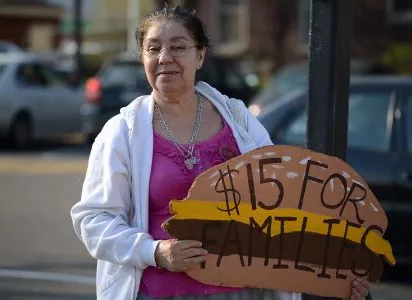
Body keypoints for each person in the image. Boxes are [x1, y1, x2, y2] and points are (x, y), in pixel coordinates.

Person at [70, 6, 371, 300]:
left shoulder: (238, 120)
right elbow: (94, 219)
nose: (165, 58)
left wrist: (339, 270)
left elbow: (286, 205)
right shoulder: (123, 132)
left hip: (244, 290)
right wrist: (155, 252)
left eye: (178, 47)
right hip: (161, 290)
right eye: (153, 48)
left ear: (199, 55)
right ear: (143, 58)